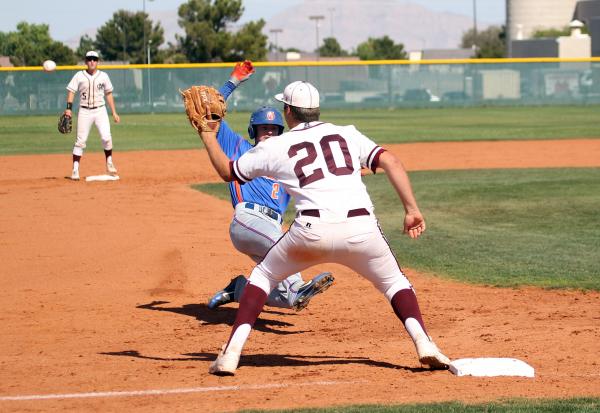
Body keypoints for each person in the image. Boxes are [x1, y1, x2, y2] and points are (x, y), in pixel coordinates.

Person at [197, 80, 452, 376]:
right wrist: (412, 210)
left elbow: (228, 172)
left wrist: (207, 135)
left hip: (310, 230)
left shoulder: (277, 145)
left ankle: (230, 355)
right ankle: (425, 344)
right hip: (362, 228)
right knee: (395, 283)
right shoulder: (347, 134)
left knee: (263, 276)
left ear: (288, 112)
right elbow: (391, 161)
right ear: (316, 110)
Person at [205, 62, 334, 311]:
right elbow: (211, 113)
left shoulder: (287, 159)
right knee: (287, 247)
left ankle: (239, 289)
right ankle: (298, 285)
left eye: (274, 129)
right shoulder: (238, 147)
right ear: (254, 130)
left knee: (288, 299)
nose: (269, 133)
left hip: (271, 228)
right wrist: (233, 81)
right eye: (264, 128)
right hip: (247, 221)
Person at [64, 51, 120, 181]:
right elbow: (71, 91)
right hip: (84, 111)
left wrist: (114, 112)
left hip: (100, 110)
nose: (92, 61)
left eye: (94, 59)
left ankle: (109, 162)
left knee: (106, 137)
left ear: (98, 61)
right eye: (89, 59)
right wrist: (68, 109)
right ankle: (75, 169)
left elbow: (109, 94)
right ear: (85, 61)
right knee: (80, 141)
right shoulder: (79, 75)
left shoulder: (104, 76)